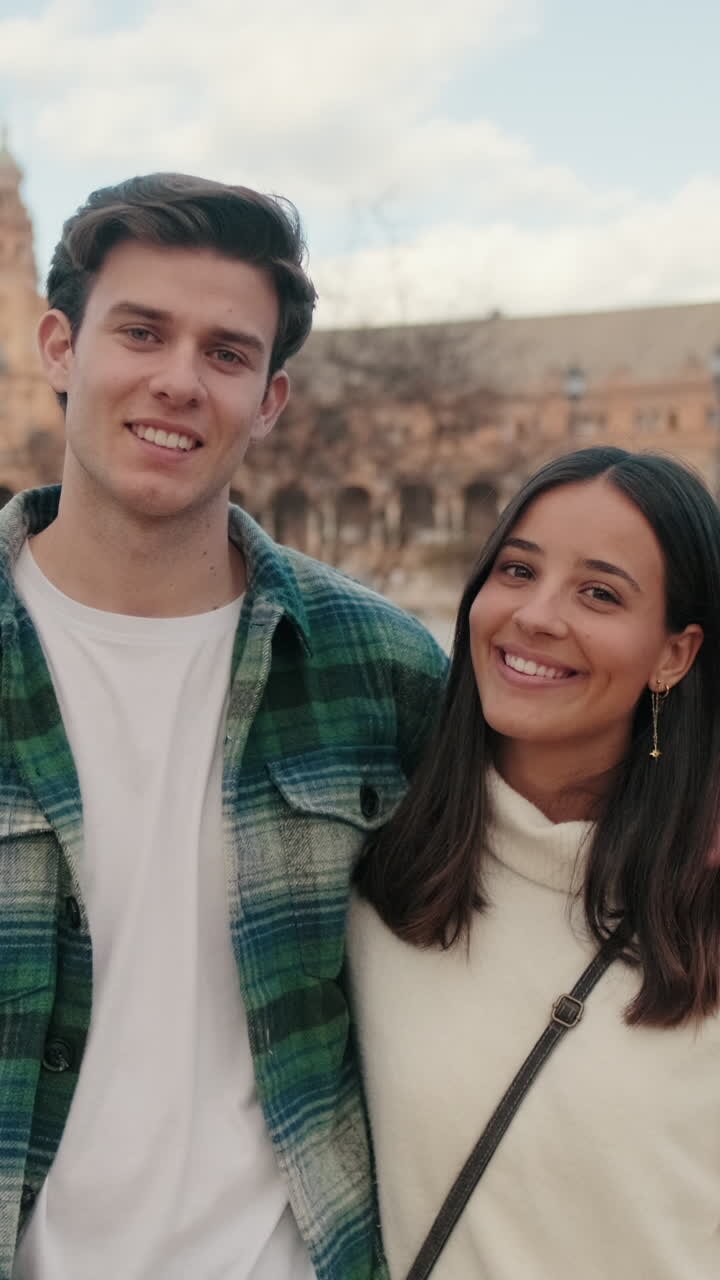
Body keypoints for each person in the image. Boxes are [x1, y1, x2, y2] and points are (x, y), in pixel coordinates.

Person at [0, 173, 447, 1280]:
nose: (178, 381)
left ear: (271, 399)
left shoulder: (380, 668)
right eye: (142, 331)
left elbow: (531, 886)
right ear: (60, 345)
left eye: (227, 352)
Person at [351, 446, 720, 1279]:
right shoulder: (376, 867)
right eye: (517, 570)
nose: (537, 615)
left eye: (599, 592)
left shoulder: (701, 902)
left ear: (675, 653)